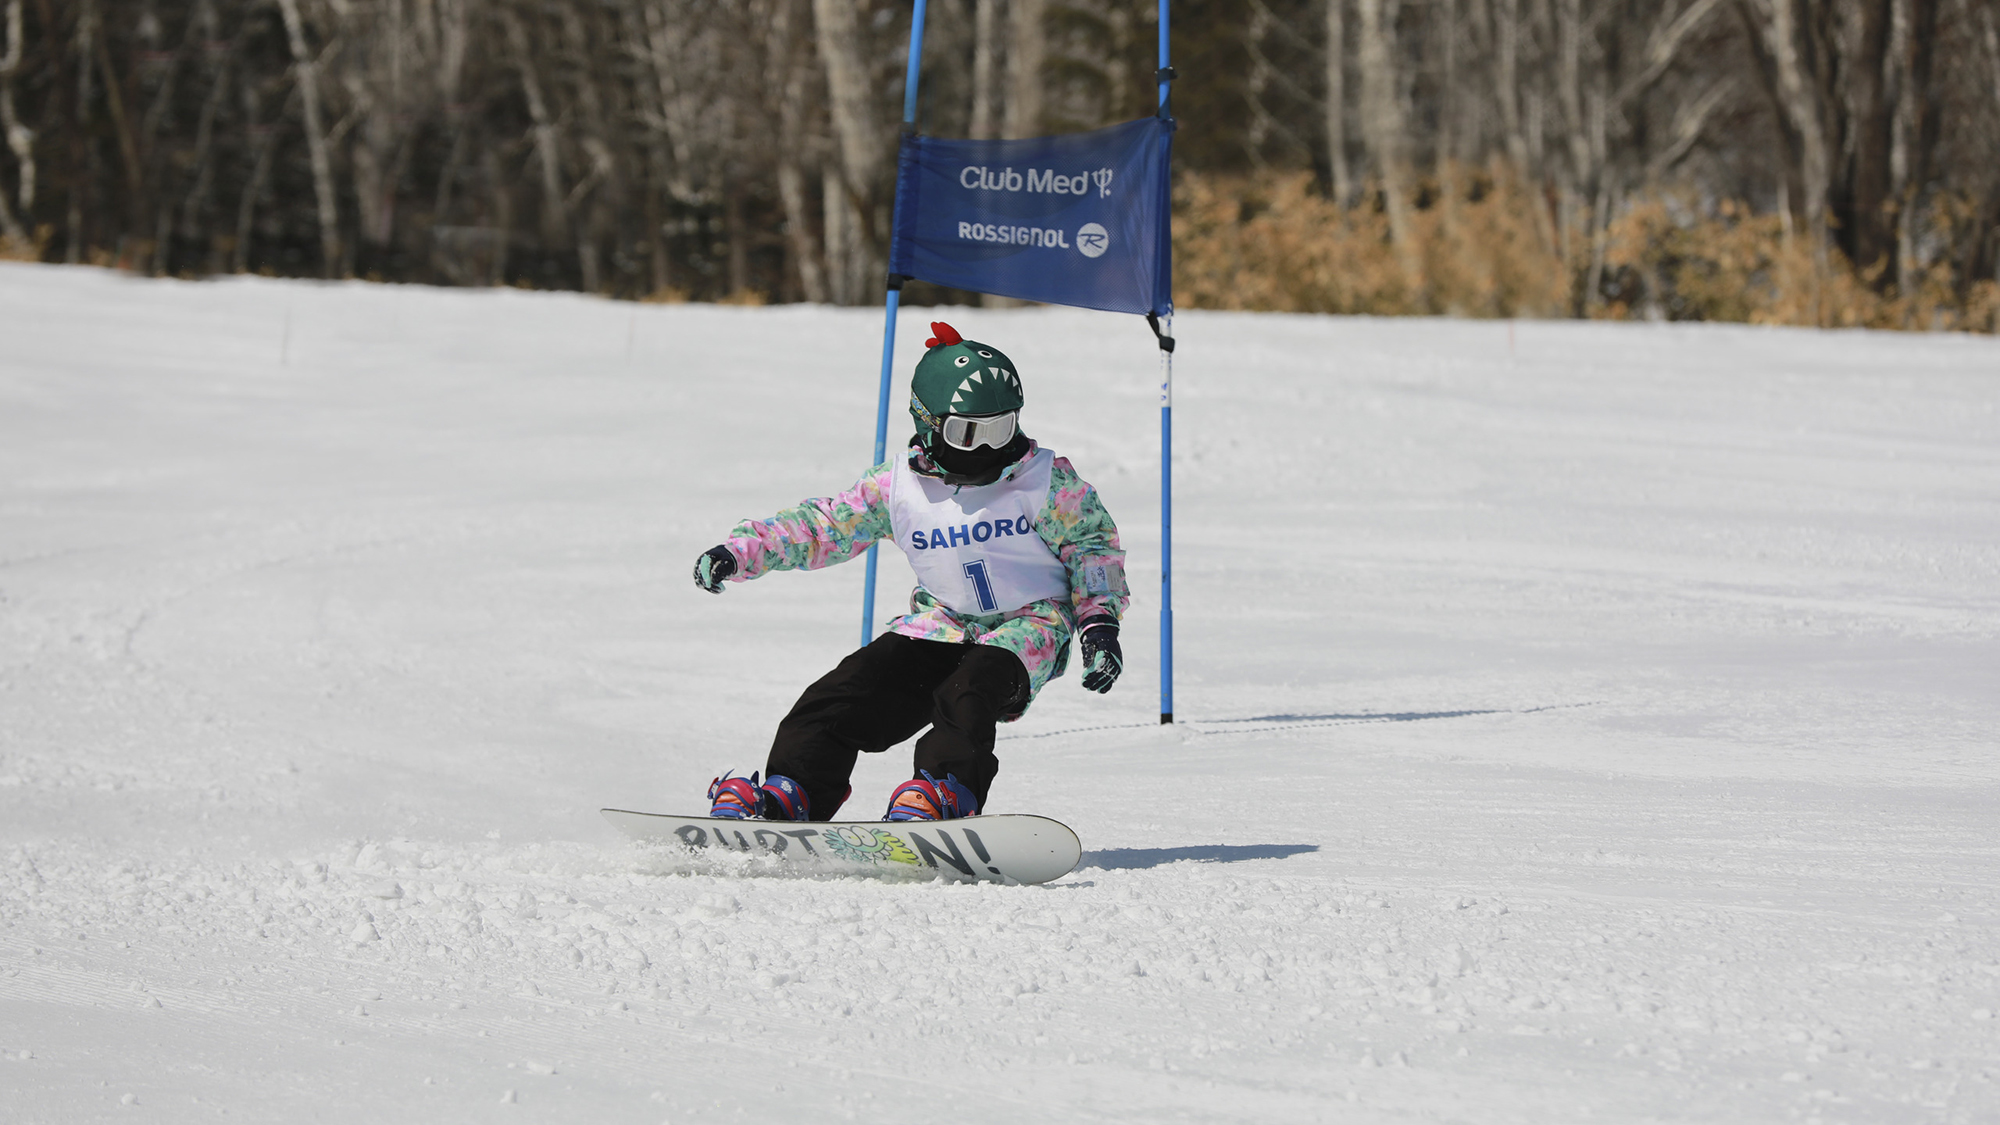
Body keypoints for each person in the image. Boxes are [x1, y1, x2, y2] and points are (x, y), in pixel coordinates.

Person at [690, 321, 1130, 822]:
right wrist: (741, 551)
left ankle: (944, 790)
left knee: (967, 692)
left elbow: (1093, 551)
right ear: (928, 423)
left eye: (1000, 428)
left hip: (1029, 626)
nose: (987, 448)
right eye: (968, 432)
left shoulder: (1045, 482)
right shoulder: (897, 488)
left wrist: (1099, 625)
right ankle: (793, 791)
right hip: (940, 624)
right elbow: (823, 527)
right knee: (843, 691)